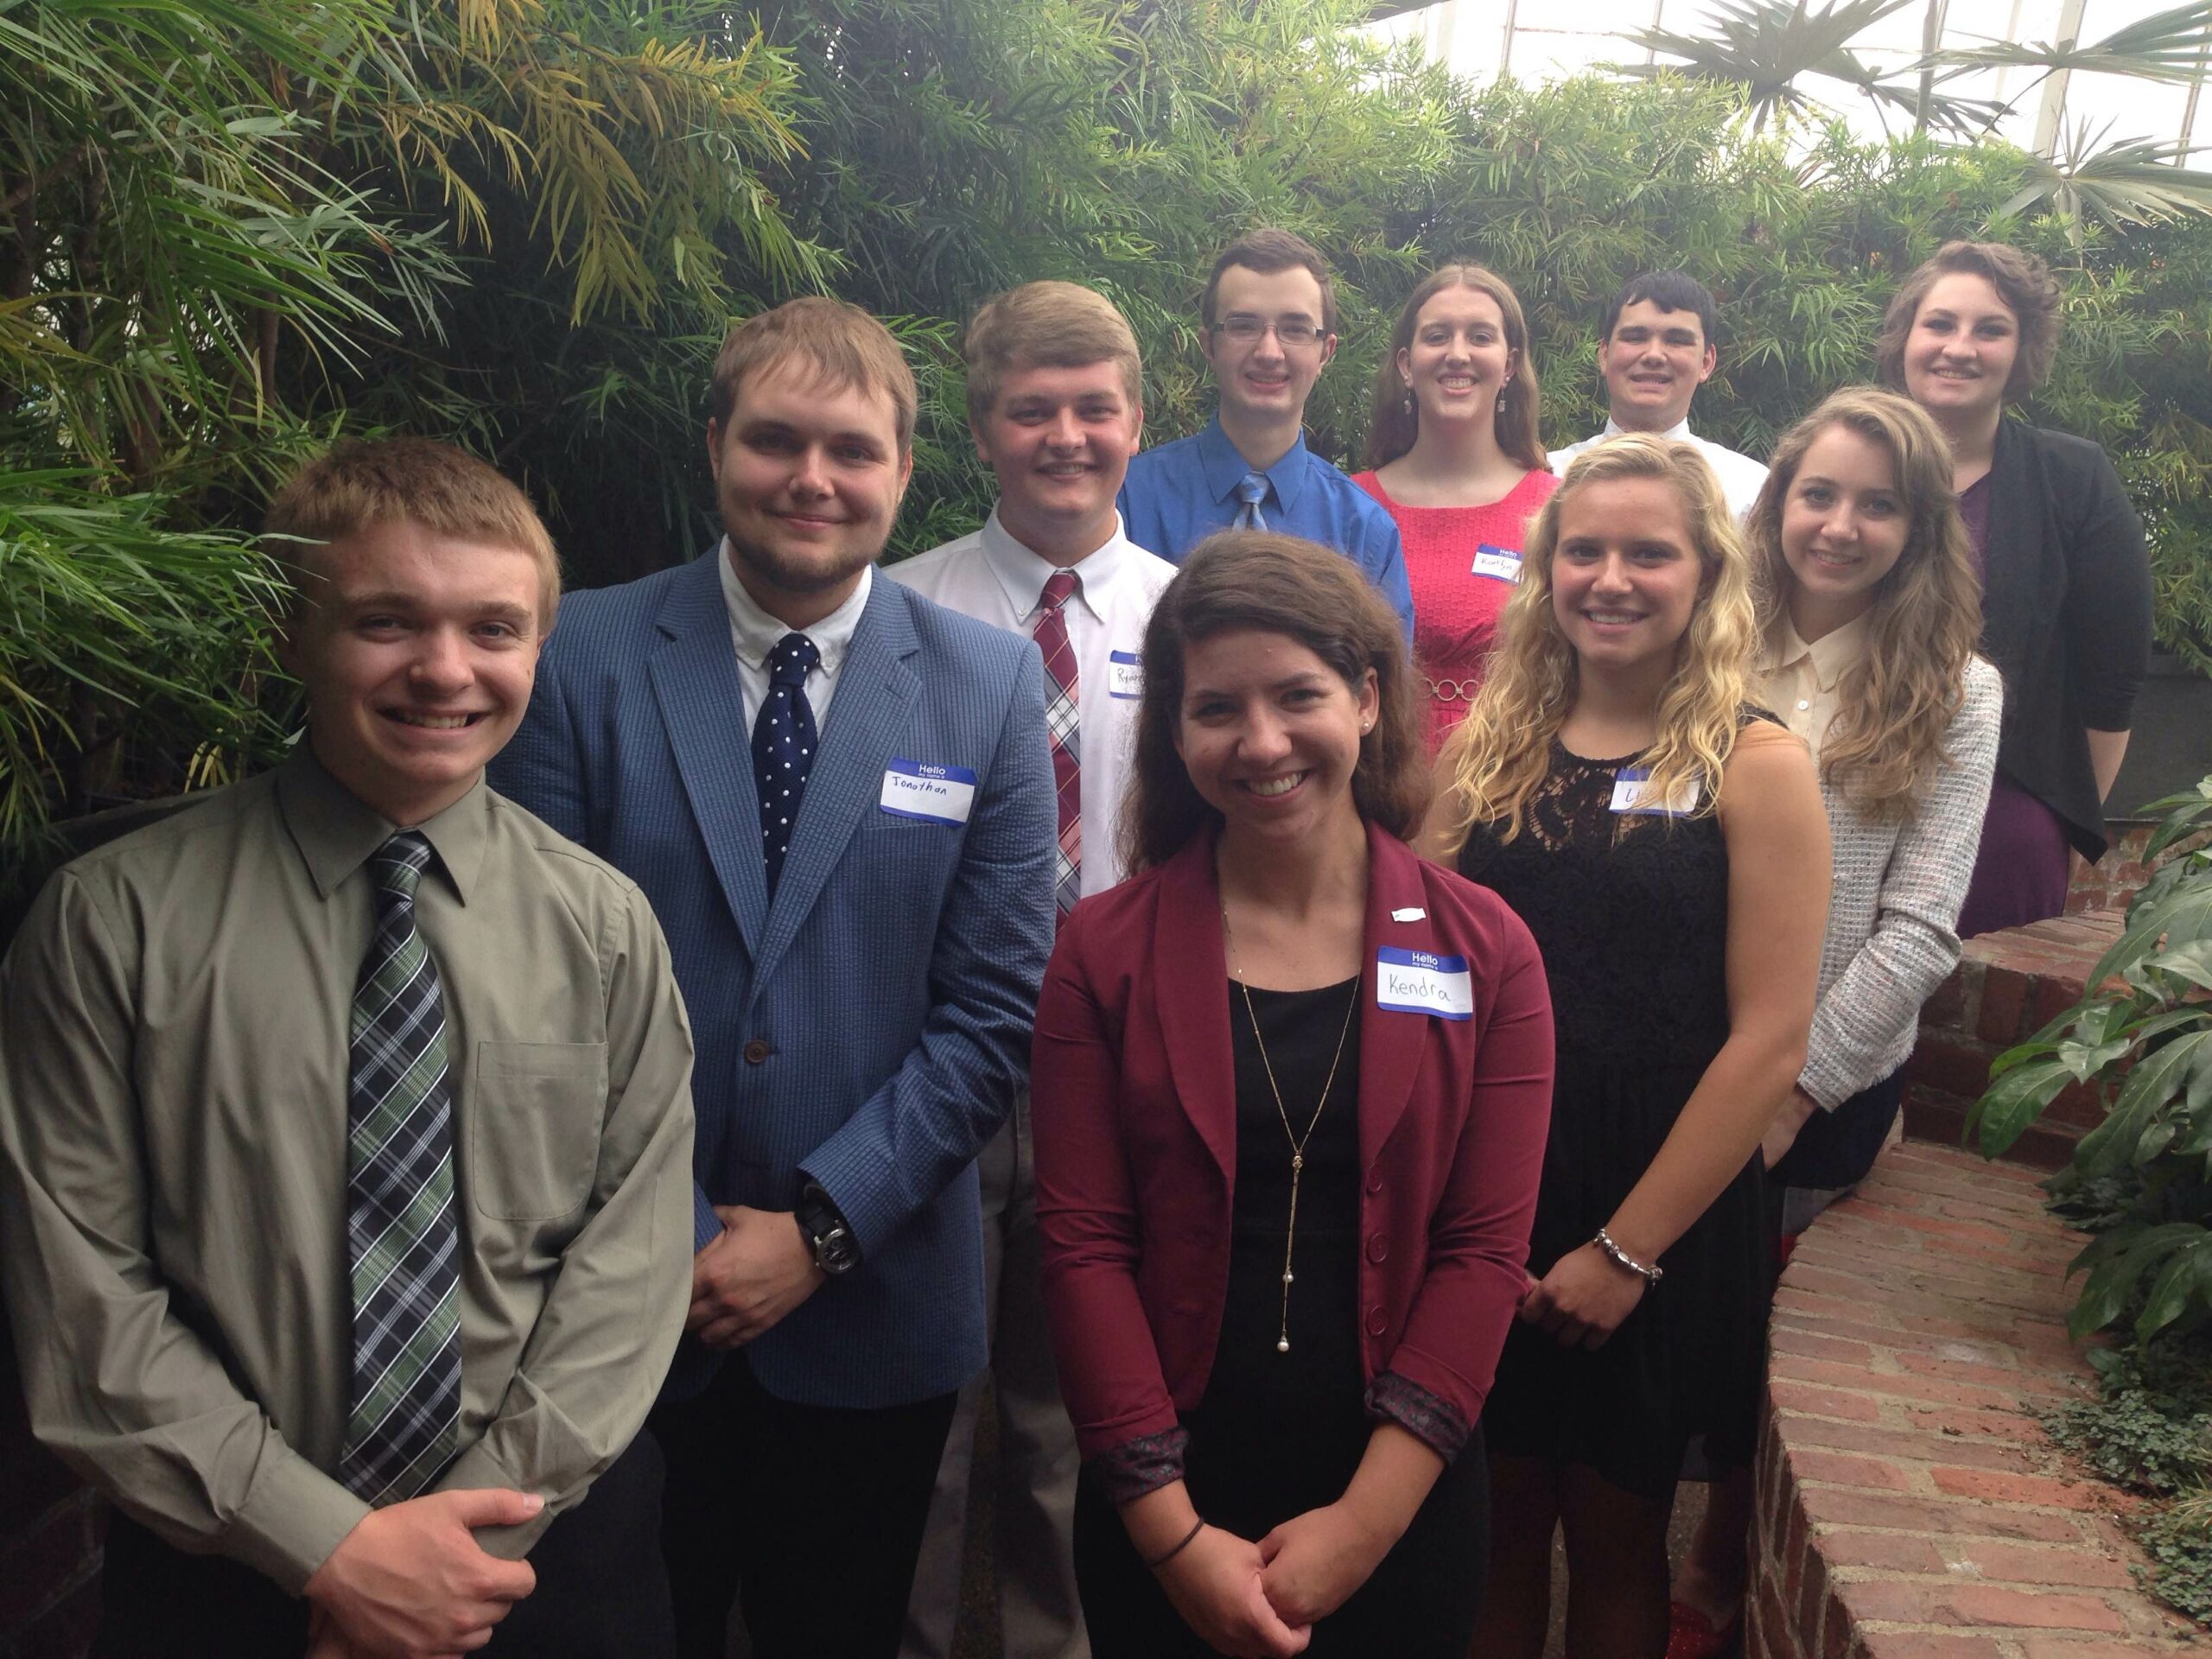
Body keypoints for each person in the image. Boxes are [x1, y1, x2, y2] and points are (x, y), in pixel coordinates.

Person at [0, 436, 697, 1659]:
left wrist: (455, 1557)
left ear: (539, 646)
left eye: (493, 628)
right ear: (292, 632)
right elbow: (84, 1299)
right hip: (224, 1574)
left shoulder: (603, 929)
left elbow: (627, 1272)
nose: (445, 670)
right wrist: (327, 1547)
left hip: (542, 1570)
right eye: (387, 621)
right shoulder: (112, 921)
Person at [488, 296, 1057, 1659]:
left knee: (838, 1631)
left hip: (872, 1300)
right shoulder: (582, 659)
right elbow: (533, 990)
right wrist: (678, 1236)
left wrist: (817, 1233)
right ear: (715, 448)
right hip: (618, 1300)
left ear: (906, 473)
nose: (814, 478)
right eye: (777, 440)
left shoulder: (986, 684)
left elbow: (993, 1011)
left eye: (853, 450)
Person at [1032, 531, 1556, 1657]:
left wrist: (1362, 1531)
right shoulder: (1103, 953)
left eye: (1298, 696)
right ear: (1176, 732)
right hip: (1165, 1497)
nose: (1261, 741)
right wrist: (1172, 1540)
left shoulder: (1488, 951)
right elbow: (1082, 1244)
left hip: (1399, 1498)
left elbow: (1481, 1253)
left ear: (1367, 698)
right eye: (1218, 708)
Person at [1433, 435, 1830, 1659]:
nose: (1612, 577)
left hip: (1654, 1207)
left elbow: (1770, 1043)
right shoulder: (1484, 752)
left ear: (1707, 575)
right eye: (1585, 550)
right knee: (1486, 1529)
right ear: (1546, 571)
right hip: (1492, 1190)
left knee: (1617, 1543)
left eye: (1649, 553)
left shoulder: (1757, 767)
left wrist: (1624, 1251)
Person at [1662, 389, 2003, 1658]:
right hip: (1676, 1053)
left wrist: (1791, 1089)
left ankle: (1721, 1564)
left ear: (1919, 532)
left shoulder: (1960, 695)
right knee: (1659, 1326)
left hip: (1822, 1091)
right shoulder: (1704, 645)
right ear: (1778, 500)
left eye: (1878, 505)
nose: (1841, 526)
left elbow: (1920, 928)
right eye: (1820, 494)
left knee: (1767, 1355)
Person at [891, 279, 1175, 1659]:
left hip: (1117, 1068)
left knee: (1077, 1410)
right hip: (932, 1060)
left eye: (1093, 408)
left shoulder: (1193, 622)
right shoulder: (900, 614)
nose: (1065, 436)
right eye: (1031, 410)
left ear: (1137, 419)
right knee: (932, 1409)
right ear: (983, 429)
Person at [1876, 239, 2153, 936]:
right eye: (1940, 323)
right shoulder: (1845, 463)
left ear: (2021, 350)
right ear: (1906, 336)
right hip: (1838, 792)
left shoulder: (2074, 479)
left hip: (2001, 816)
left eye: (1990, 329)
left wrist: (2054, 811)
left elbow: (2112, 675)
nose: (1959, 347)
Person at [1117, 228, 1415, 641]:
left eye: (1295, 329)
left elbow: (1382, 696)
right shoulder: (1128, 503)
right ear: (1208, 345)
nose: (1269, 352)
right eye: (1243, 326)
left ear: (1326, 351)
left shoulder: (1363, 532)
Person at [1351, 264, 1560, 749]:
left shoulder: (1555, 508)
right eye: (1438, 336)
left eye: (1480, 337)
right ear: (1406, 364)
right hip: (1372, 776)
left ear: (1509, 365)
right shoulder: (1348, 504)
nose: (1458, 354)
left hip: (1513, 775)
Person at [1551, 270, 1769, 520]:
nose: (1654, 355)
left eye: (1677, 340)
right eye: (1635, 338)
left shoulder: (1750, 493)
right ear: (1604, 355)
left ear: (1706, 363)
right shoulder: (1548, 479)